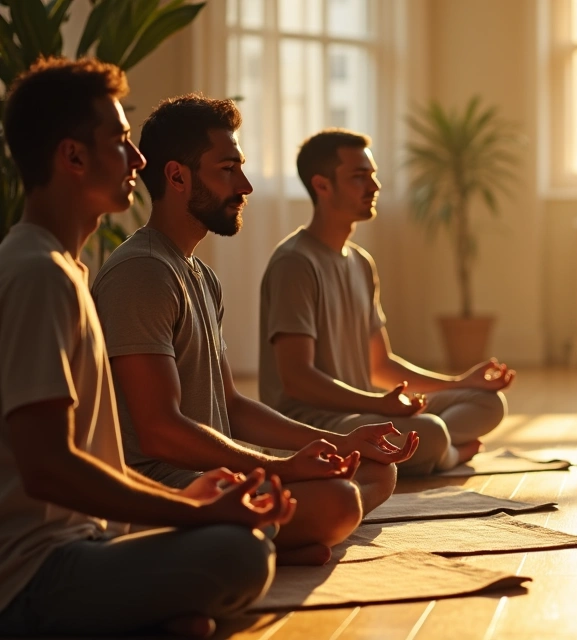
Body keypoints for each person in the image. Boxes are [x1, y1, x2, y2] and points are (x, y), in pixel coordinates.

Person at [0, 58, 294, 639]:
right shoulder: (38, 273)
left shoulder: (64, 269)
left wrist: (188, 496)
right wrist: (193, 510)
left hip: (91, 540)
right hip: (34, 576)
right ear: (73, 156)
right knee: (240, 553)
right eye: (122, 141)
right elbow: (48, 469)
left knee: (241, 538)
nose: (138, 160)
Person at [92, 95, 420, 567]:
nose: (244, 184)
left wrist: (336, 443)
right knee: (339, 501)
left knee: (373, 470)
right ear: (177, 176)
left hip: (220, 474)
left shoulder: (200, 276)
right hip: (168, 489)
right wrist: (282, 467)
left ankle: (272, 539)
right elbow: (160, 434)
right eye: (228, 169)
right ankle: (247, 542)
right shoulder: (141, 273)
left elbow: (232, 406)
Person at [259, 129, 513, 475]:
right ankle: (447, 454)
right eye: (359, 177)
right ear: (322, 185)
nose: (374, 187)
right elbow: (297, 379)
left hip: (364, 412)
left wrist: (461, 383)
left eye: (373, 175)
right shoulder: (294, 263)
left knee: (486, 402)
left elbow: (380, 366)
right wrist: (379, 404)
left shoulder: (360, 263)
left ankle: (430, 452)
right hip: (312, 424)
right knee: (431, 432)